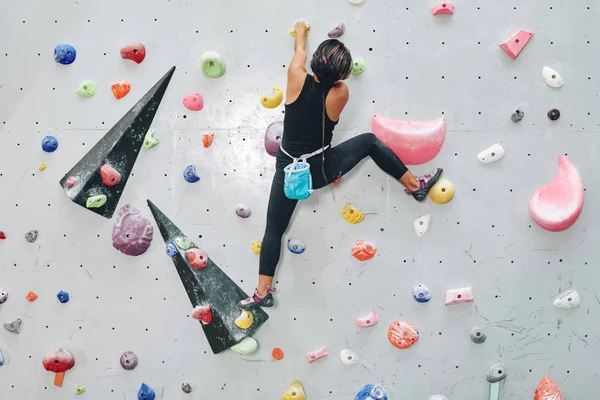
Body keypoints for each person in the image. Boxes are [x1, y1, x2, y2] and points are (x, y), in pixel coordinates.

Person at [239, 21, 443, 310]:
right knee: (370, 141)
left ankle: (262, 292)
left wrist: (300, 33)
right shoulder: (341, 93)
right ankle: (415, 185)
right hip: (321, 169)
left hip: (288, 171)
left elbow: (298, 52)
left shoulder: (295, 77)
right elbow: (332, 86)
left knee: (273, 230)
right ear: (342, 75)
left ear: (313, 63)